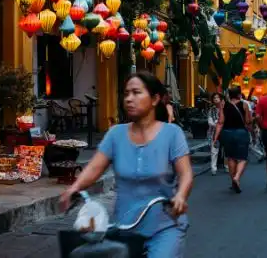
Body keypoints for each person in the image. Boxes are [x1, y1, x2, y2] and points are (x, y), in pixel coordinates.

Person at [60, 72, 193, 257]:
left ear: (154, 99)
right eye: (126, 93)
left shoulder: (172, 133)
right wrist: (74, 187)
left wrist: (180, 196)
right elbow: (94, 168)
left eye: (136, 92)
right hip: (125, 226)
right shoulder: (116, 134)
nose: (129, 99)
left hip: (165, 225)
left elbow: (185, 174)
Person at [213, 87, 252, 193]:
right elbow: (248, 121)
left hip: (227, 133)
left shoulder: (224, 105)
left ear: (229, 95)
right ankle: (237, 178)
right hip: (241, 133)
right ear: (239, 95)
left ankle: (233, 181)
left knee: (231, 158)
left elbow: (220, 122)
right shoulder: (244, 104)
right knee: (243, 158)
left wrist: (215, 137)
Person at [208, 92, 227, 175]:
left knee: (226, 150)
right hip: (214, 132)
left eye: (217, 97)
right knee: (214, 150)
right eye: (214, 98)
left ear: (221, 99)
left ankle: (227, 166)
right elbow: (209, 121)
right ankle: (213, 168)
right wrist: (216, 124)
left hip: (225, 131)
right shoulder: (211, 110)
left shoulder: (226, 109)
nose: (216, 99)